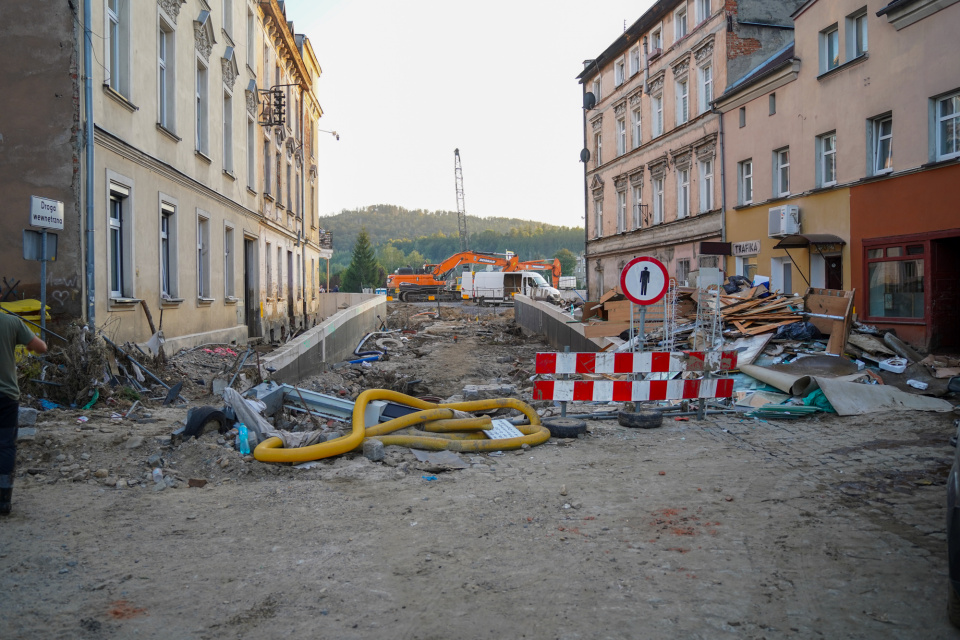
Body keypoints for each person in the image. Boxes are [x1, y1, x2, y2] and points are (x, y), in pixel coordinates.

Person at [0, 313, 47, 516]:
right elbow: (41, 347)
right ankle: (3, 500)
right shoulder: (10, 322)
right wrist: (28, 345)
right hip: (5, 396)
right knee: (5, 445)